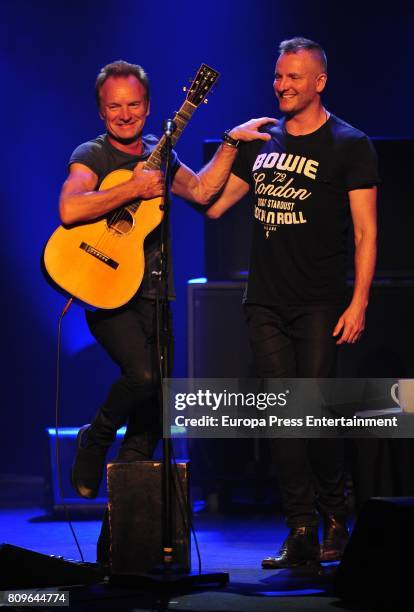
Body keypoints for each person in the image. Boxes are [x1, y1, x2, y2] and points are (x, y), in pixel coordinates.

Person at [61, 60, 274, 550]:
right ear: (101, 110)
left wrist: (232, 143)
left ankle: (120, 546)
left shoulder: (163, 152)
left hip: (158, 295)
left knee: (151, 424)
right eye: (115, 106)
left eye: (134, 104)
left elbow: (202, 191)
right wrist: (133, 187)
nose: (125, 114)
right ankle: (93, 436)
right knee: (143, 377)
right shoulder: (90, 154)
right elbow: (70, 208)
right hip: (108, 292)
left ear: (149, 106)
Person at [205, 37, 379, 567]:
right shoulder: (261, 140)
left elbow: (366, 234)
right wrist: (224, 144)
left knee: (316, 412)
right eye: (278, 76)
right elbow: (211, 205)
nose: (281, 85)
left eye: (294, 77)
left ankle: (334, 518)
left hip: (321, 301)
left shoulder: (350, 143)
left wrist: (359, 303)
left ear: (319, 82)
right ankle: (301, 528)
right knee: (283, 413)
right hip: (265, 301)